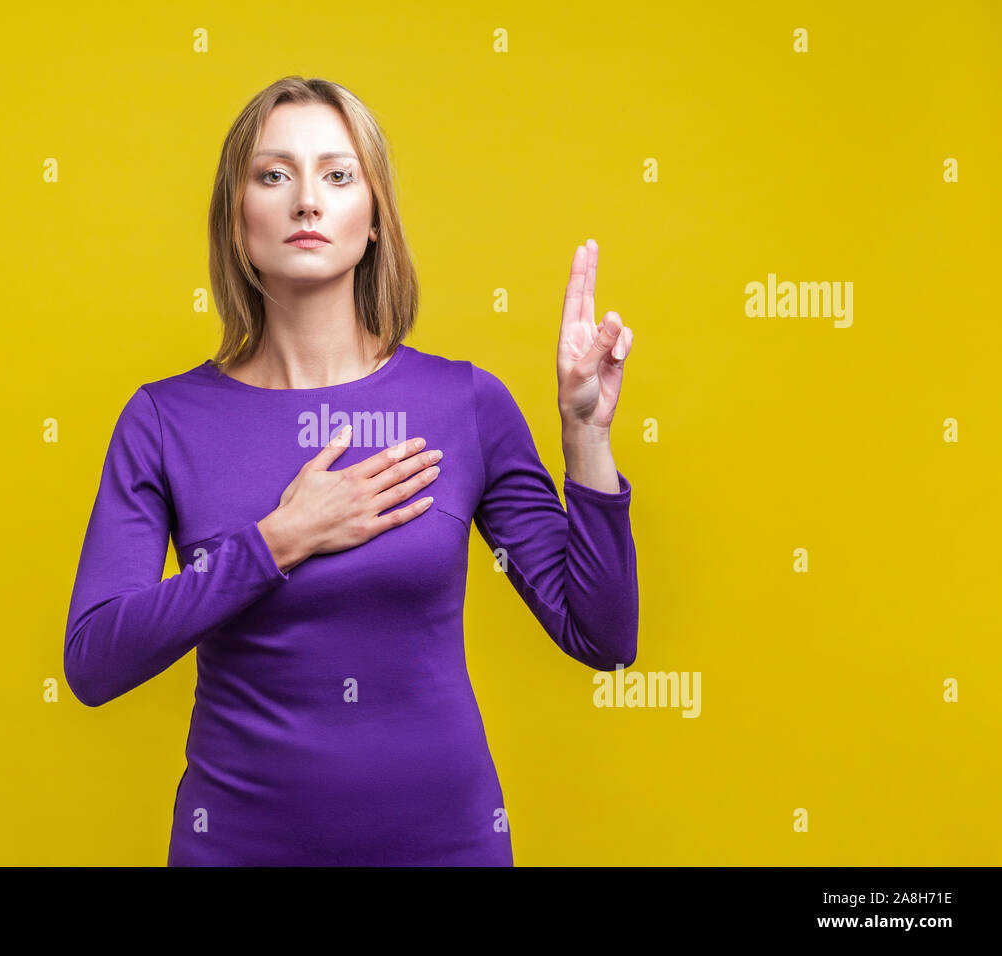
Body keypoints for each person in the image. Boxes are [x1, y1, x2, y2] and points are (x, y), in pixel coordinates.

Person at [63, 76, 638, 866]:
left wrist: (584, 436)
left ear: (373, 221)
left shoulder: (464, 402)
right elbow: (94, 662)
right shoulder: (165, 420)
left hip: (447, 847)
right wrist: (275, 543)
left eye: (338, 175)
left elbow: (601, 636)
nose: (307, 200)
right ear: (237, 223)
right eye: (274, 175)